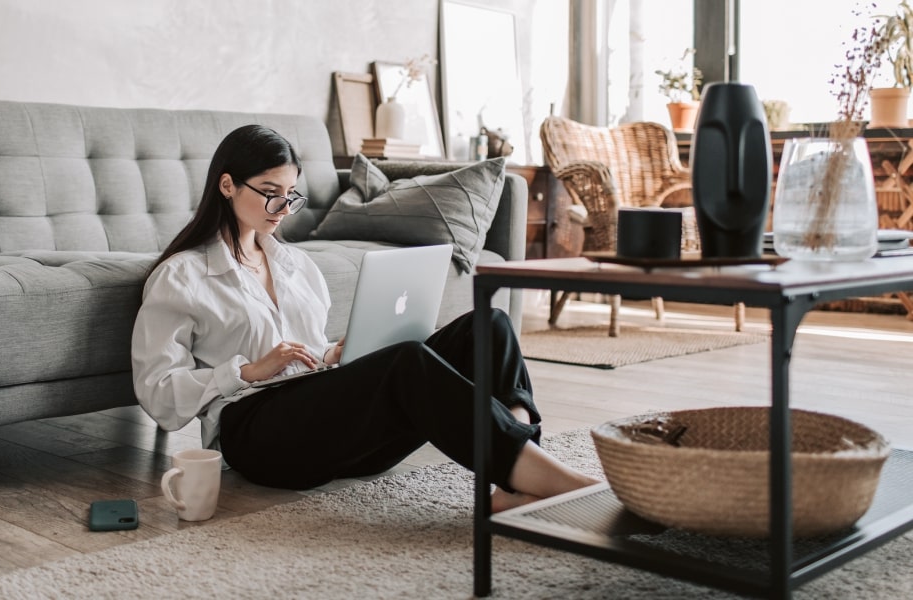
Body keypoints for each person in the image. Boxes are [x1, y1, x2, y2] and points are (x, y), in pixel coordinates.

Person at [131, 124, 598, 512]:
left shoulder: (296, 266)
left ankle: (516, 479)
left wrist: (335, 355)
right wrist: (245, 372)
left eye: (290, 196)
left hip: (328, 427)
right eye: (270, 194)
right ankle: (558, 484)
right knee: (408, 363)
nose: (282, 210)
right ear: (227, 184)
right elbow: (157, 391)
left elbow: (306, 351)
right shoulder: (183, 275)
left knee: (489, 324)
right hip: (256, 435)